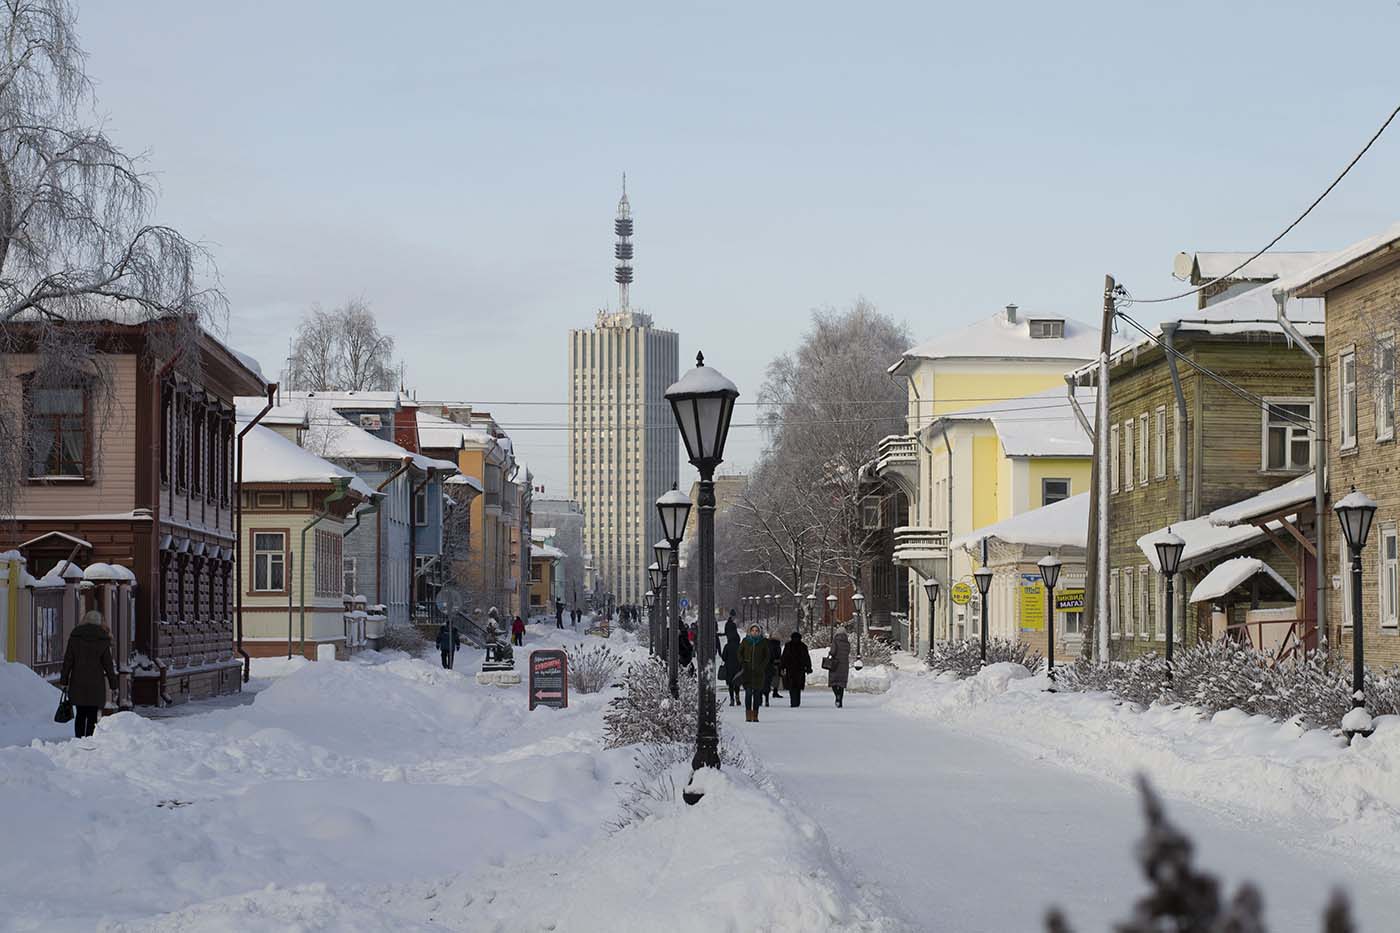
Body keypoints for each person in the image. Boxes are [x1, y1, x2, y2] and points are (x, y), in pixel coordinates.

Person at [59, 610, 117, 739]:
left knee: (80, 714)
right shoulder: (102, 639)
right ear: (99, 622)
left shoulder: (75, 637)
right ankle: (90, 739)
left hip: (77, 682)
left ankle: (79, 739)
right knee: (92, 715)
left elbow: (68, 661)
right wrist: (113, 684)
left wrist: (64, 681)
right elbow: (108, 664)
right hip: (96, 683)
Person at [737, 624, 770, 722]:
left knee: (756, 695)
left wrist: (762, 666)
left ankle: (755, 715)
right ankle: (748, 714)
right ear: (750, 631)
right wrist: (743, 662)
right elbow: (739, 653)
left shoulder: (763, 642)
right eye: (753, 630)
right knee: (748, 693)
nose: (754, 632)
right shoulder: (745, 641)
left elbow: (767, 656)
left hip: (758, 673)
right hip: (747, 672)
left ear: (759, 632)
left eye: (756, 631)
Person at [780, 629, 812, 708]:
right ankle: (797, 701)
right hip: (800, 669)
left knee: (792, 687)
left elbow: (784, 657)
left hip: (790, 669)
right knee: (798, 687)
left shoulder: (788, 645)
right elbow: (806, 658)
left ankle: (793, 702)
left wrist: (782, 667)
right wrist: (808, 667)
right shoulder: (803, 646)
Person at [720, 617, 741, 706]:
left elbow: (723, 657)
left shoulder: (727, 646)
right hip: (738, 667)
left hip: (729, 668)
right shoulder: (740, 646)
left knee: (731, 684)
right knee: (737, 683)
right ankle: (737, 697)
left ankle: (732, 699)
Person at [829, 628, 852, 708]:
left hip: (835, 664)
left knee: (834, 682)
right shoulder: (847, 643)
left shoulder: (835, 641)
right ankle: (840, 702)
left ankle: (837, 695)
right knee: (841, 684)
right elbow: (847, 652)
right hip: (844, 665)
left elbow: (833, 652)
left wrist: (830, 655)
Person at [765, 630, 784, 704]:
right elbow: (777, 654)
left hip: (770, 663)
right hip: (775, 663)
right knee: (776, 678)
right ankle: (774, 691)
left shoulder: (768, 643)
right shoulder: (776, 644)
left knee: (771, 678)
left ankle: (770, 691)